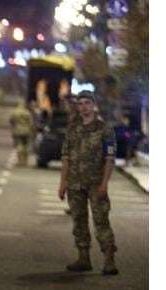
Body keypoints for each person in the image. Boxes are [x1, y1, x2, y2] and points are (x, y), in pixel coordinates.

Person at [58, 90, 119, 275]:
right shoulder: (72, 128)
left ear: (93, 105)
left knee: (101, 220)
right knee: (79, 221)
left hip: (95, 183)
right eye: (80, 103)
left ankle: (109, 260)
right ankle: (83, 257)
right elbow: (66, 157)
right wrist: (62, 184)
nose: (83, 106)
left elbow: (109, 158)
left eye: (86, 103)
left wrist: (104, 184)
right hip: (75, 184)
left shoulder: (104, 129)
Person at [9, 99, 35, 167]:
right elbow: (31, 122)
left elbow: (11, 121)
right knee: (26, 146)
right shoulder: (27, 112)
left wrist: (12, 129)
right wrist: (32, 131)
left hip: (17, 130)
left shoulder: (15, 112)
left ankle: (20, 161)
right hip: (26, 131)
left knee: (19, 145)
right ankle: (25, 161)